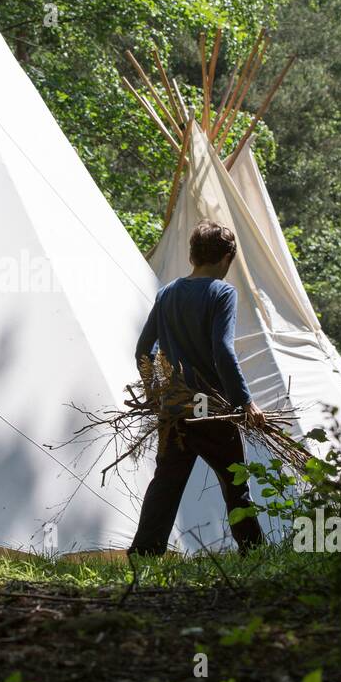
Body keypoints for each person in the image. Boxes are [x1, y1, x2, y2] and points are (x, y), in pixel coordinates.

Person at [129, 219, 267, 556]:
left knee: (166, 482)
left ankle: (144, 553)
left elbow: (143, 350)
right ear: (226, 259)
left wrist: (154, 394)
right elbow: (222, 350)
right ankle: (254, 552)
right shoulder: (221, 293)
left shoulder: (168, 294)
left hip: (175, 408)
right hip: (210, 407)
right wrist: (245, 401)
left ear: (193, 255)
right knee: (236, 482)